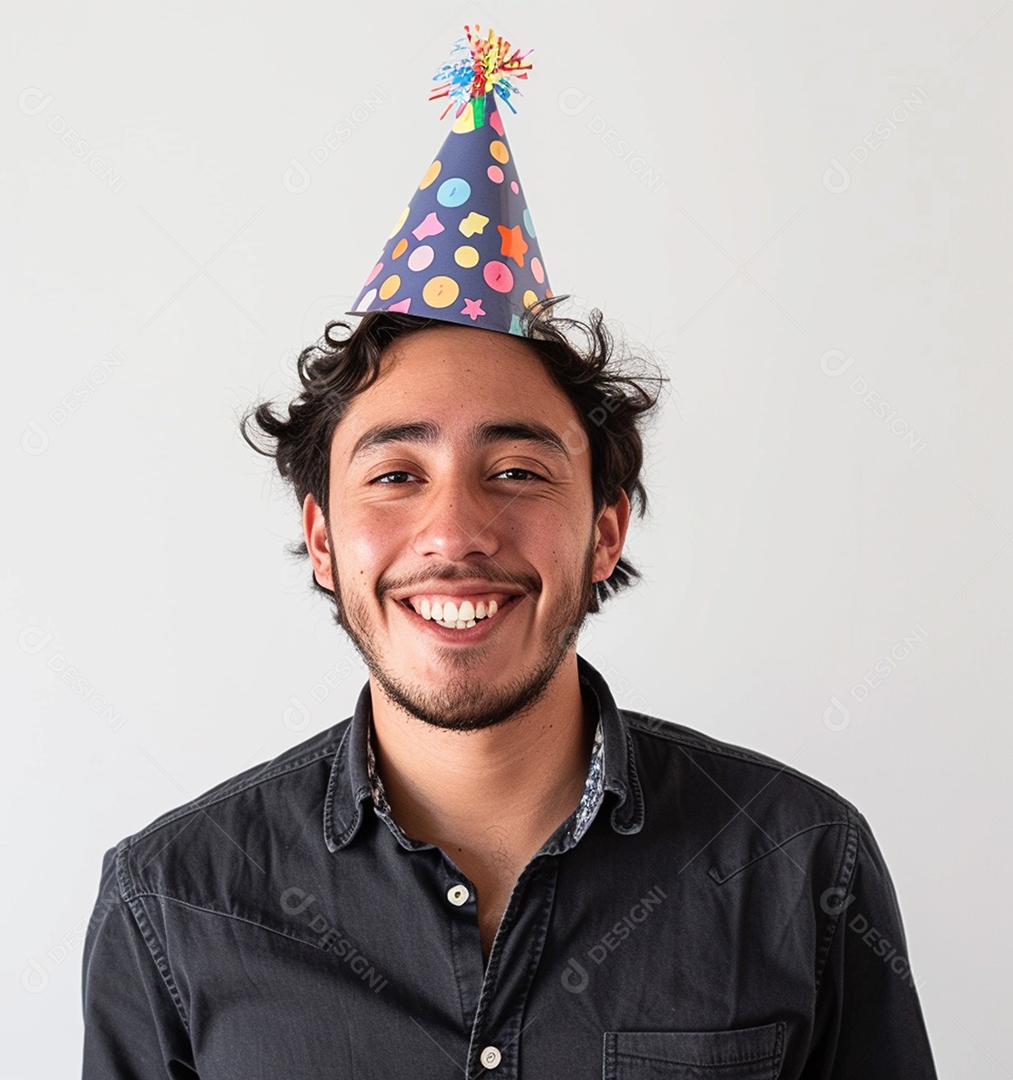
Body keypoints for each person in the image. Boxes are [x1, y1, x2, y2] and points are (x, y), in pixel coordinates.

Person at [81, 26, 938, 1079]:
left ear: (606, 529)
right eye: (396, 475)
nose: (454, 533)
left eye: (519, 472)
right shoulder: (171, 904)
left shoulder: (802, 864)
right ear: (319, 538)